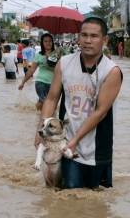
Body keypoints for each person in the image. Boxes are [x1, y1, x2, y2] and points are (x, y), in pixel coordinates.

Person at [34, 17, 123, 189]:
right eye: (84, 35)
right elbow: (52, 98)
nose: (88, 40)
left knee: (94, 198)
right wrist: (40, 131)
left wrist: (76, 139)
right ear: (79, 37)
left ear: (104, 40)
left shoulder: (111, 71)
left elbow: (100, 112)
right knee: (69, 194)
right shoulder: (64, 63)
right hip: (65, 144)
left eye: (94, 36)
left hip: (97, 147)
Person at [18, 33, 69, 110]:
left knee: (53, 103)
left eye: (50, 41)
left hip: (54, 84)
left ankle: (46, 118)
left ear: (52, 42)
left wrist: (59, 54)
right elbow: (31, 70)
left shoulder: (58, 53)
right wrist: (23, 82)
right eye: (45, 41)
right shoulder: (39, 55)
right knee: (43, 100)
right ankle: (35, 115)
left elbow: (67, 64)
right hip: (41, 82)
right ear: (42, 43)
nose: (48, 43)